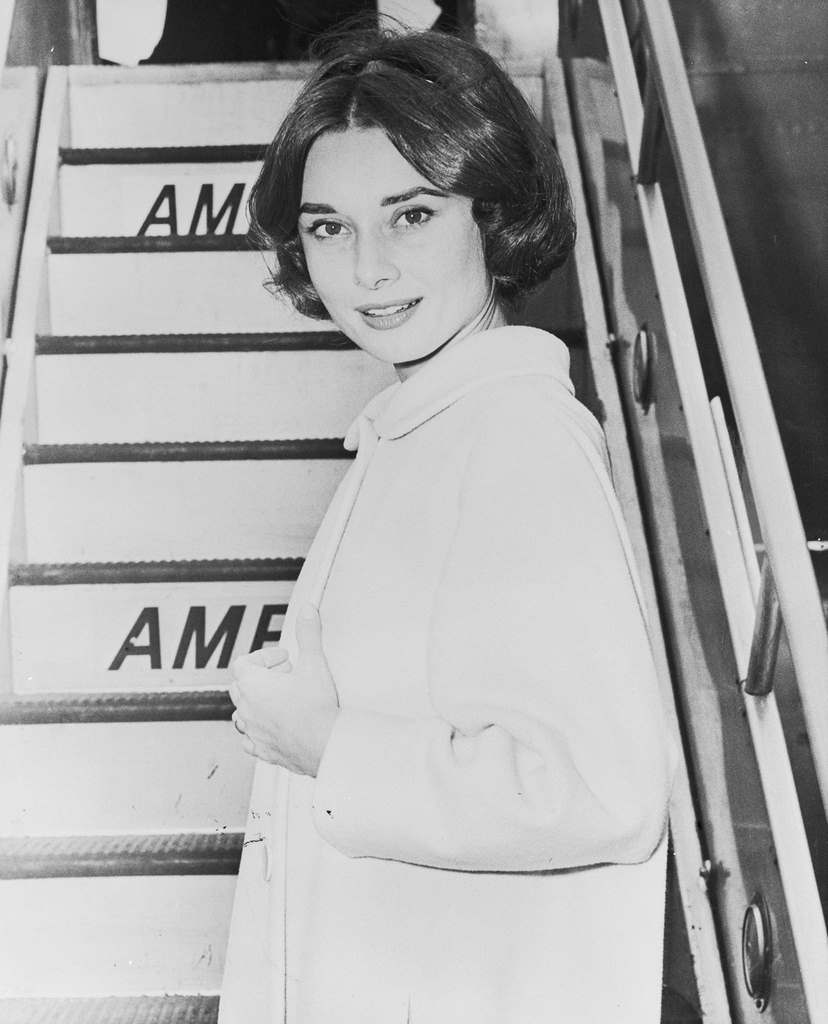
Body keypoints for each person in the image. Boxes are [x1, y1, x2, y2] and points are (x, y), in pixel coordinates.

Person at [221, 24, 676, 1024]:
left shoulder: (517, 439)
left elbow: (605, 787)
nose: (368, 268)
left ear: (493, 217)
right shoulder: (426, 429)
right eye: (329, 227)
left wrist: (332, 745)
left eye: (412, 214)